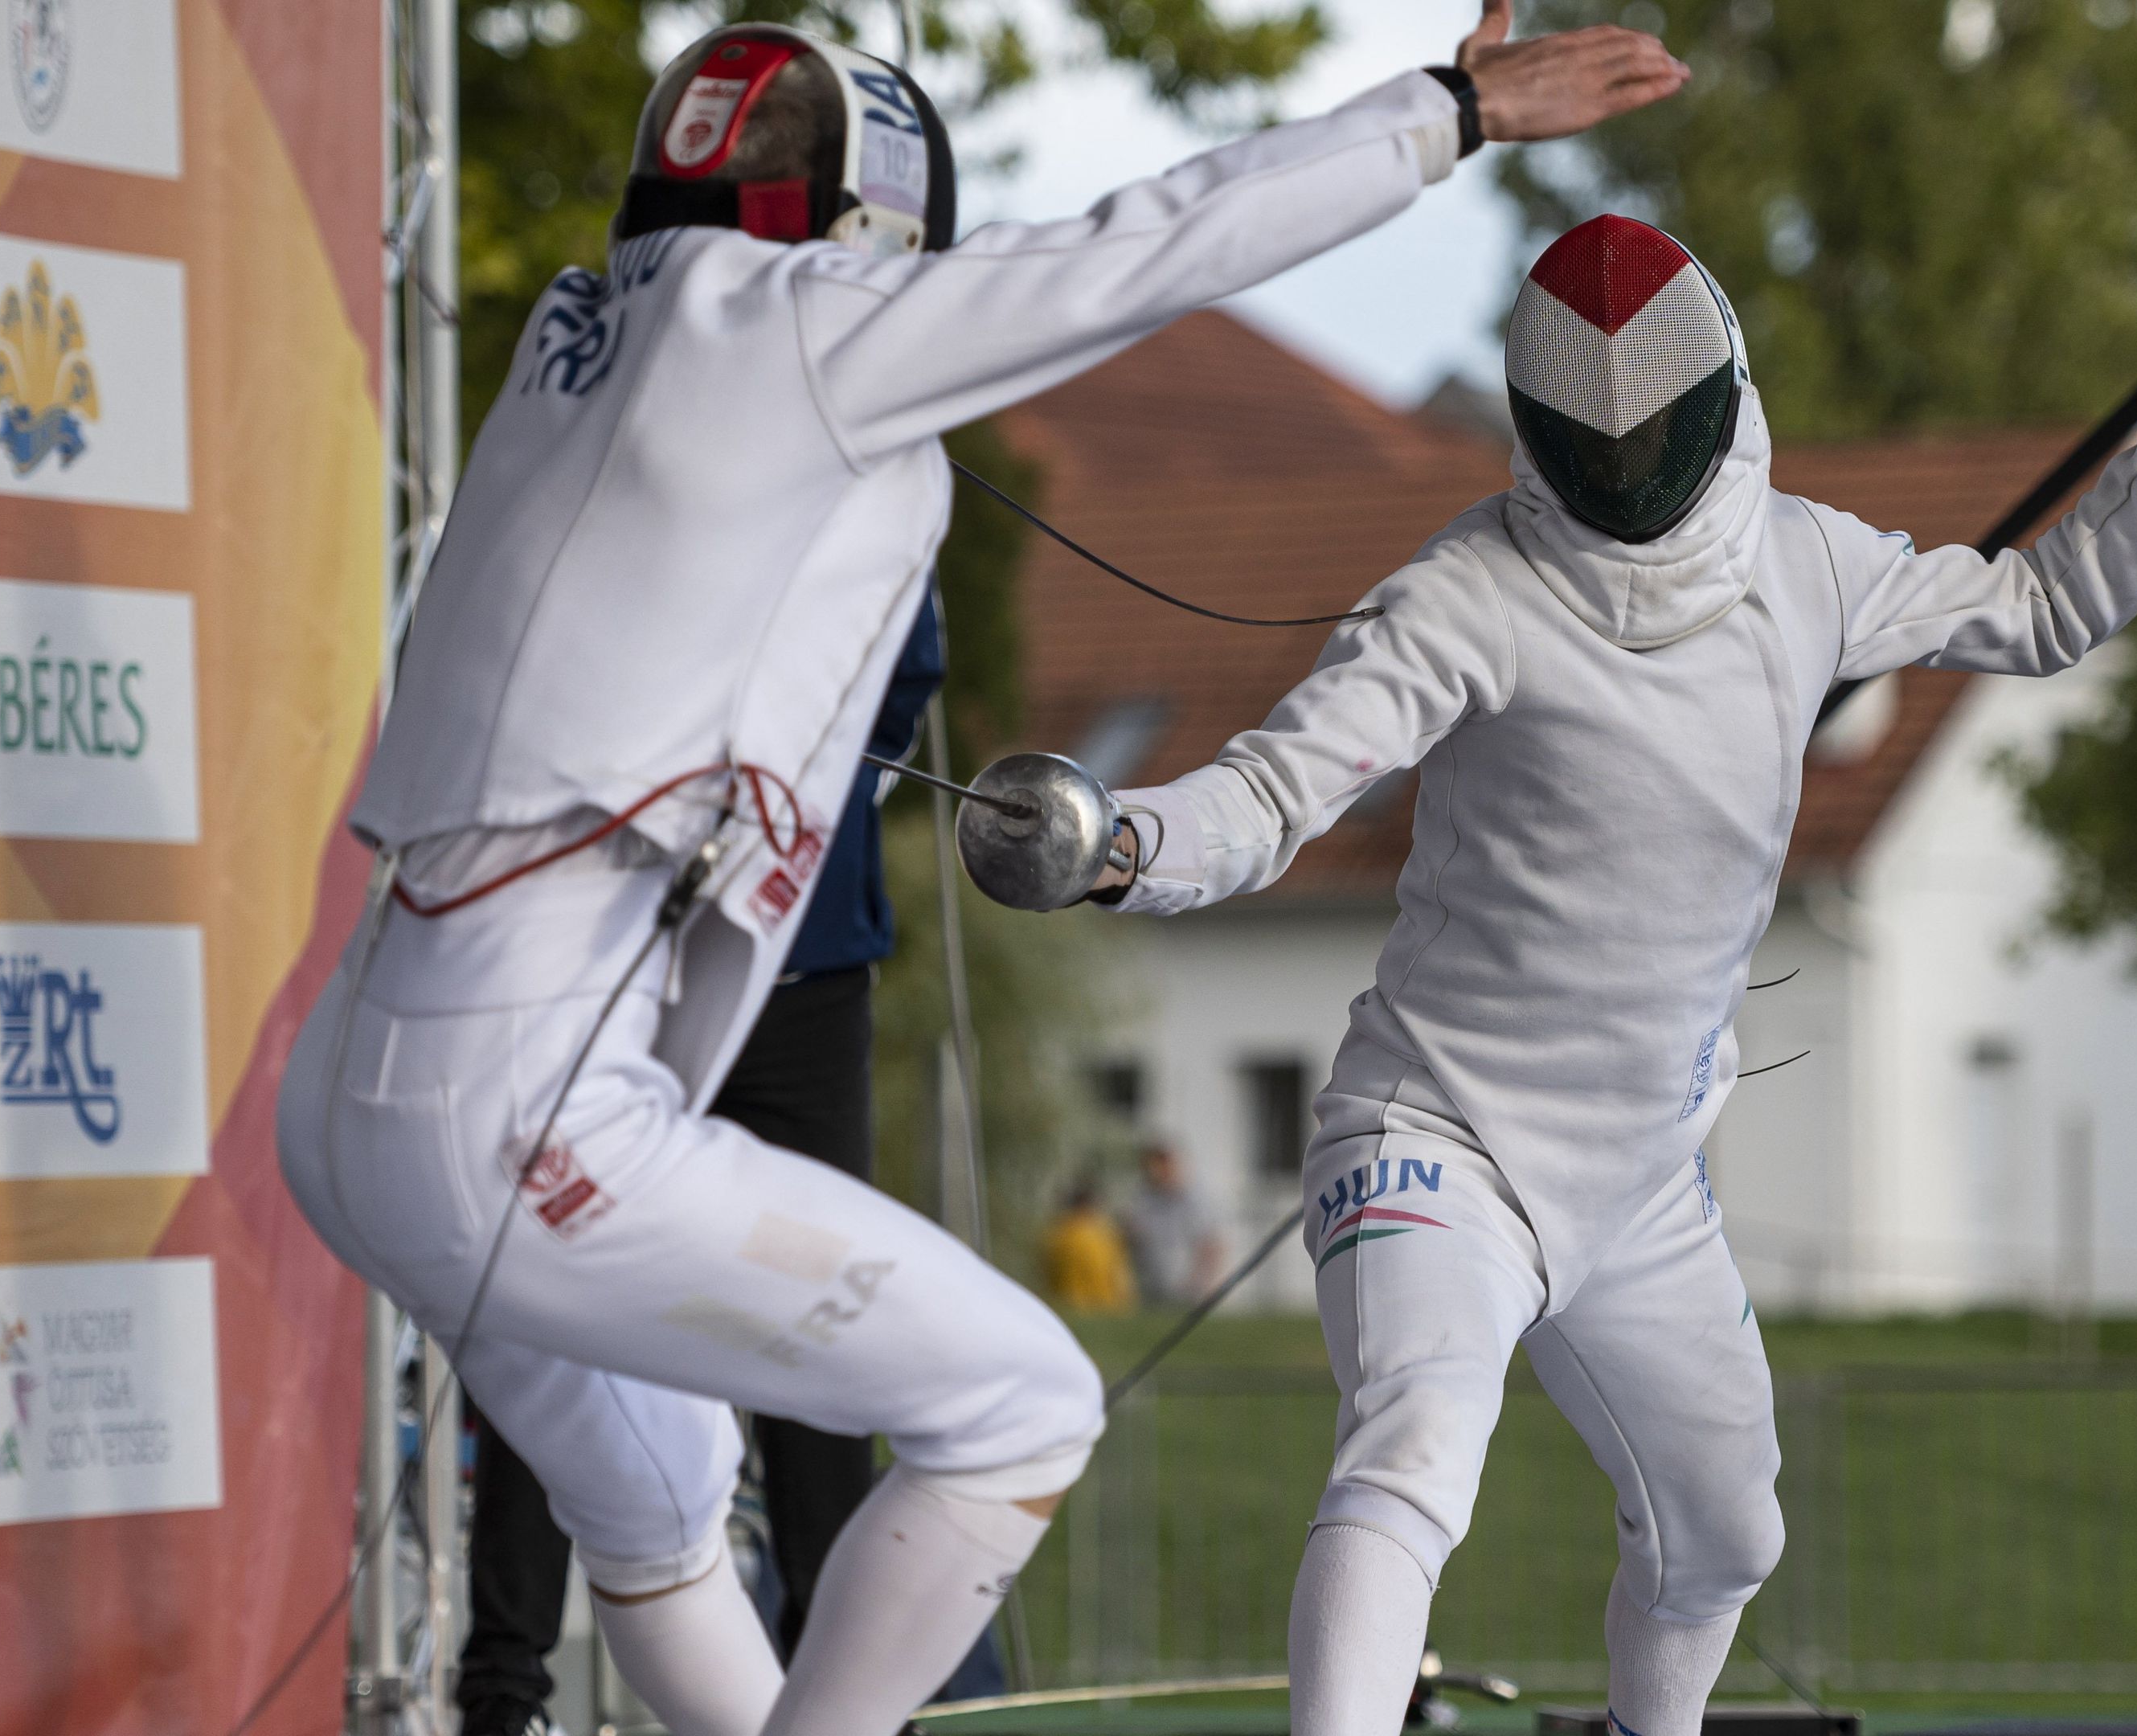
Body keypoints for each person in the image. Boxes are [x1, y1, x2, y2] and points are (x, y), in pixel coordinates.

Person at [275, 8, 1693, 1732]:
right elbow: (1143, 248)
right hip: (520, 1111)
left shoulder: (583, 341)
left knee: (659, 1508)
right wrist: (1448, 111)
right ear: (870, 220)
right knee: (1022, 1408)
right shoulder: (786, 328)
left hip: (354, 1087)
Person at [1082, 220, 2137, 1734]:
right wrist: (1127, 835)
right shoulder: (1467, 594)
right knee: (1411, 1454)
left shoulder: (1807, 563)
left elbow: (2046, 608)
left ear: (1714, 397)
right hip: (1439, 1142)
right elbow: (1275, 794)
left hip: (1644, 1180)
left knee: (1729, 1532)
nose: (1632, 464)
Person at [452, 608, 1008, 1735]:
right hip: (616, 955)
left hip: (802, 969)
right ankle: (504, 1695)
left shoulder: (882, 469)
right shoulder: (629, 445)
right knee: (546, 1308)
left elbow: (902, 669)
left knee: (820, 1330)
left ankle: (847, 1695)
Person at [1121, 1140, 1224, 1307]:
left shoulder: (1193, 1199)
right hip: (1153, 1288)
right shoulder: (1145, 1198)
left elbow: (1211, 1245)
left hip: (1188, 1290)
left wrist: (1200, 1283)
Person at [1038, 1181, 1136, 1315]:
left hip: (1069, 1306)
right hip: (1105, 1306)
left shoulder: (1057, 1233)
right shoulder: (1105, 1234)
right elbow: (1118, 1274)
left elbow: (1047, 1273)